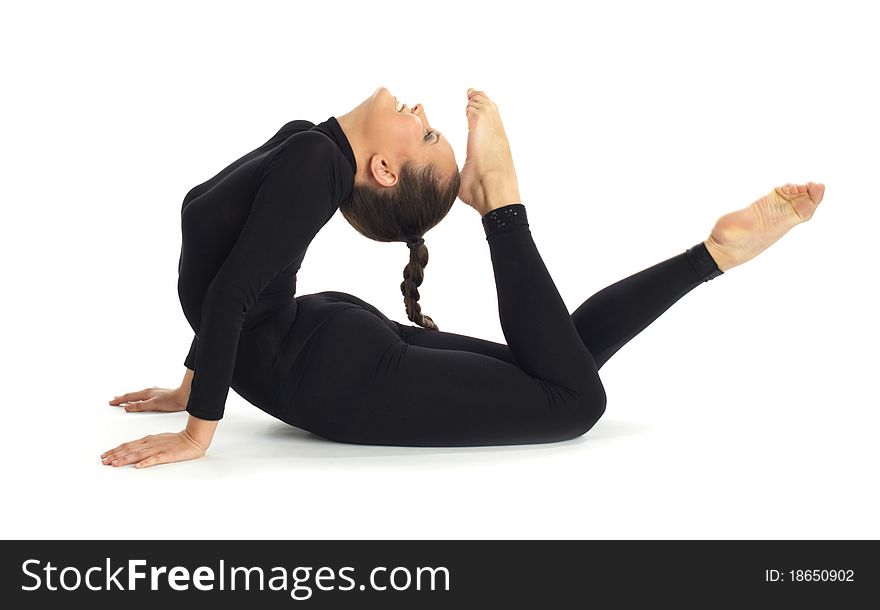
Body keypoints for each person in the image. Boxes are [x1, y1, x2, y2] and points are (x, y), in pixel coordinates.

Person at [101, 87, 826, 468]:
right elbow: (231, 282)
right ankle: (710, 256)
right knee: (560, 383)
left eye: (424, 134)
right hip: (325, 348)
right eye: (430, 130)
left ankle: (505, 200)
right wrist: (194, 400)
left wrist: (199, 420)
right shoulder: (308, 147)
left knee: (564, 390)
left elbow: (228, 292)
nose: (420, 112)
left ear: (383, 171)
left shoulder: (312, 160)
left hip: (329, 363)